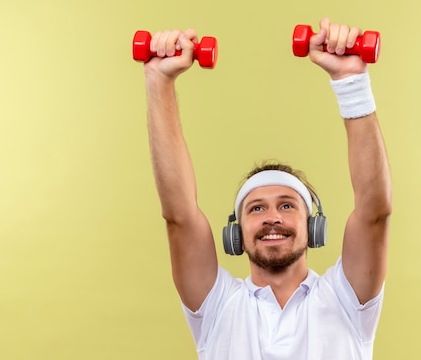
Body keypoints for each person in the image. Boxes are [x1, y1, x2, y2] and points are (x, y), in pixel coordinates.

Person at [142, 18, 392, 359]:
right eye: (256, 208)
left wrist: (351, 83)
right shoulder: (218, 307)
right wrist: (159, 80)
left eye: (287, 205)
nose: (272, 217)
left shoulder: (346, 300)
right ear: (236, 233)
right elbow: (180, 216)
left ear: (314, 227)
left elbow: (374, 213)